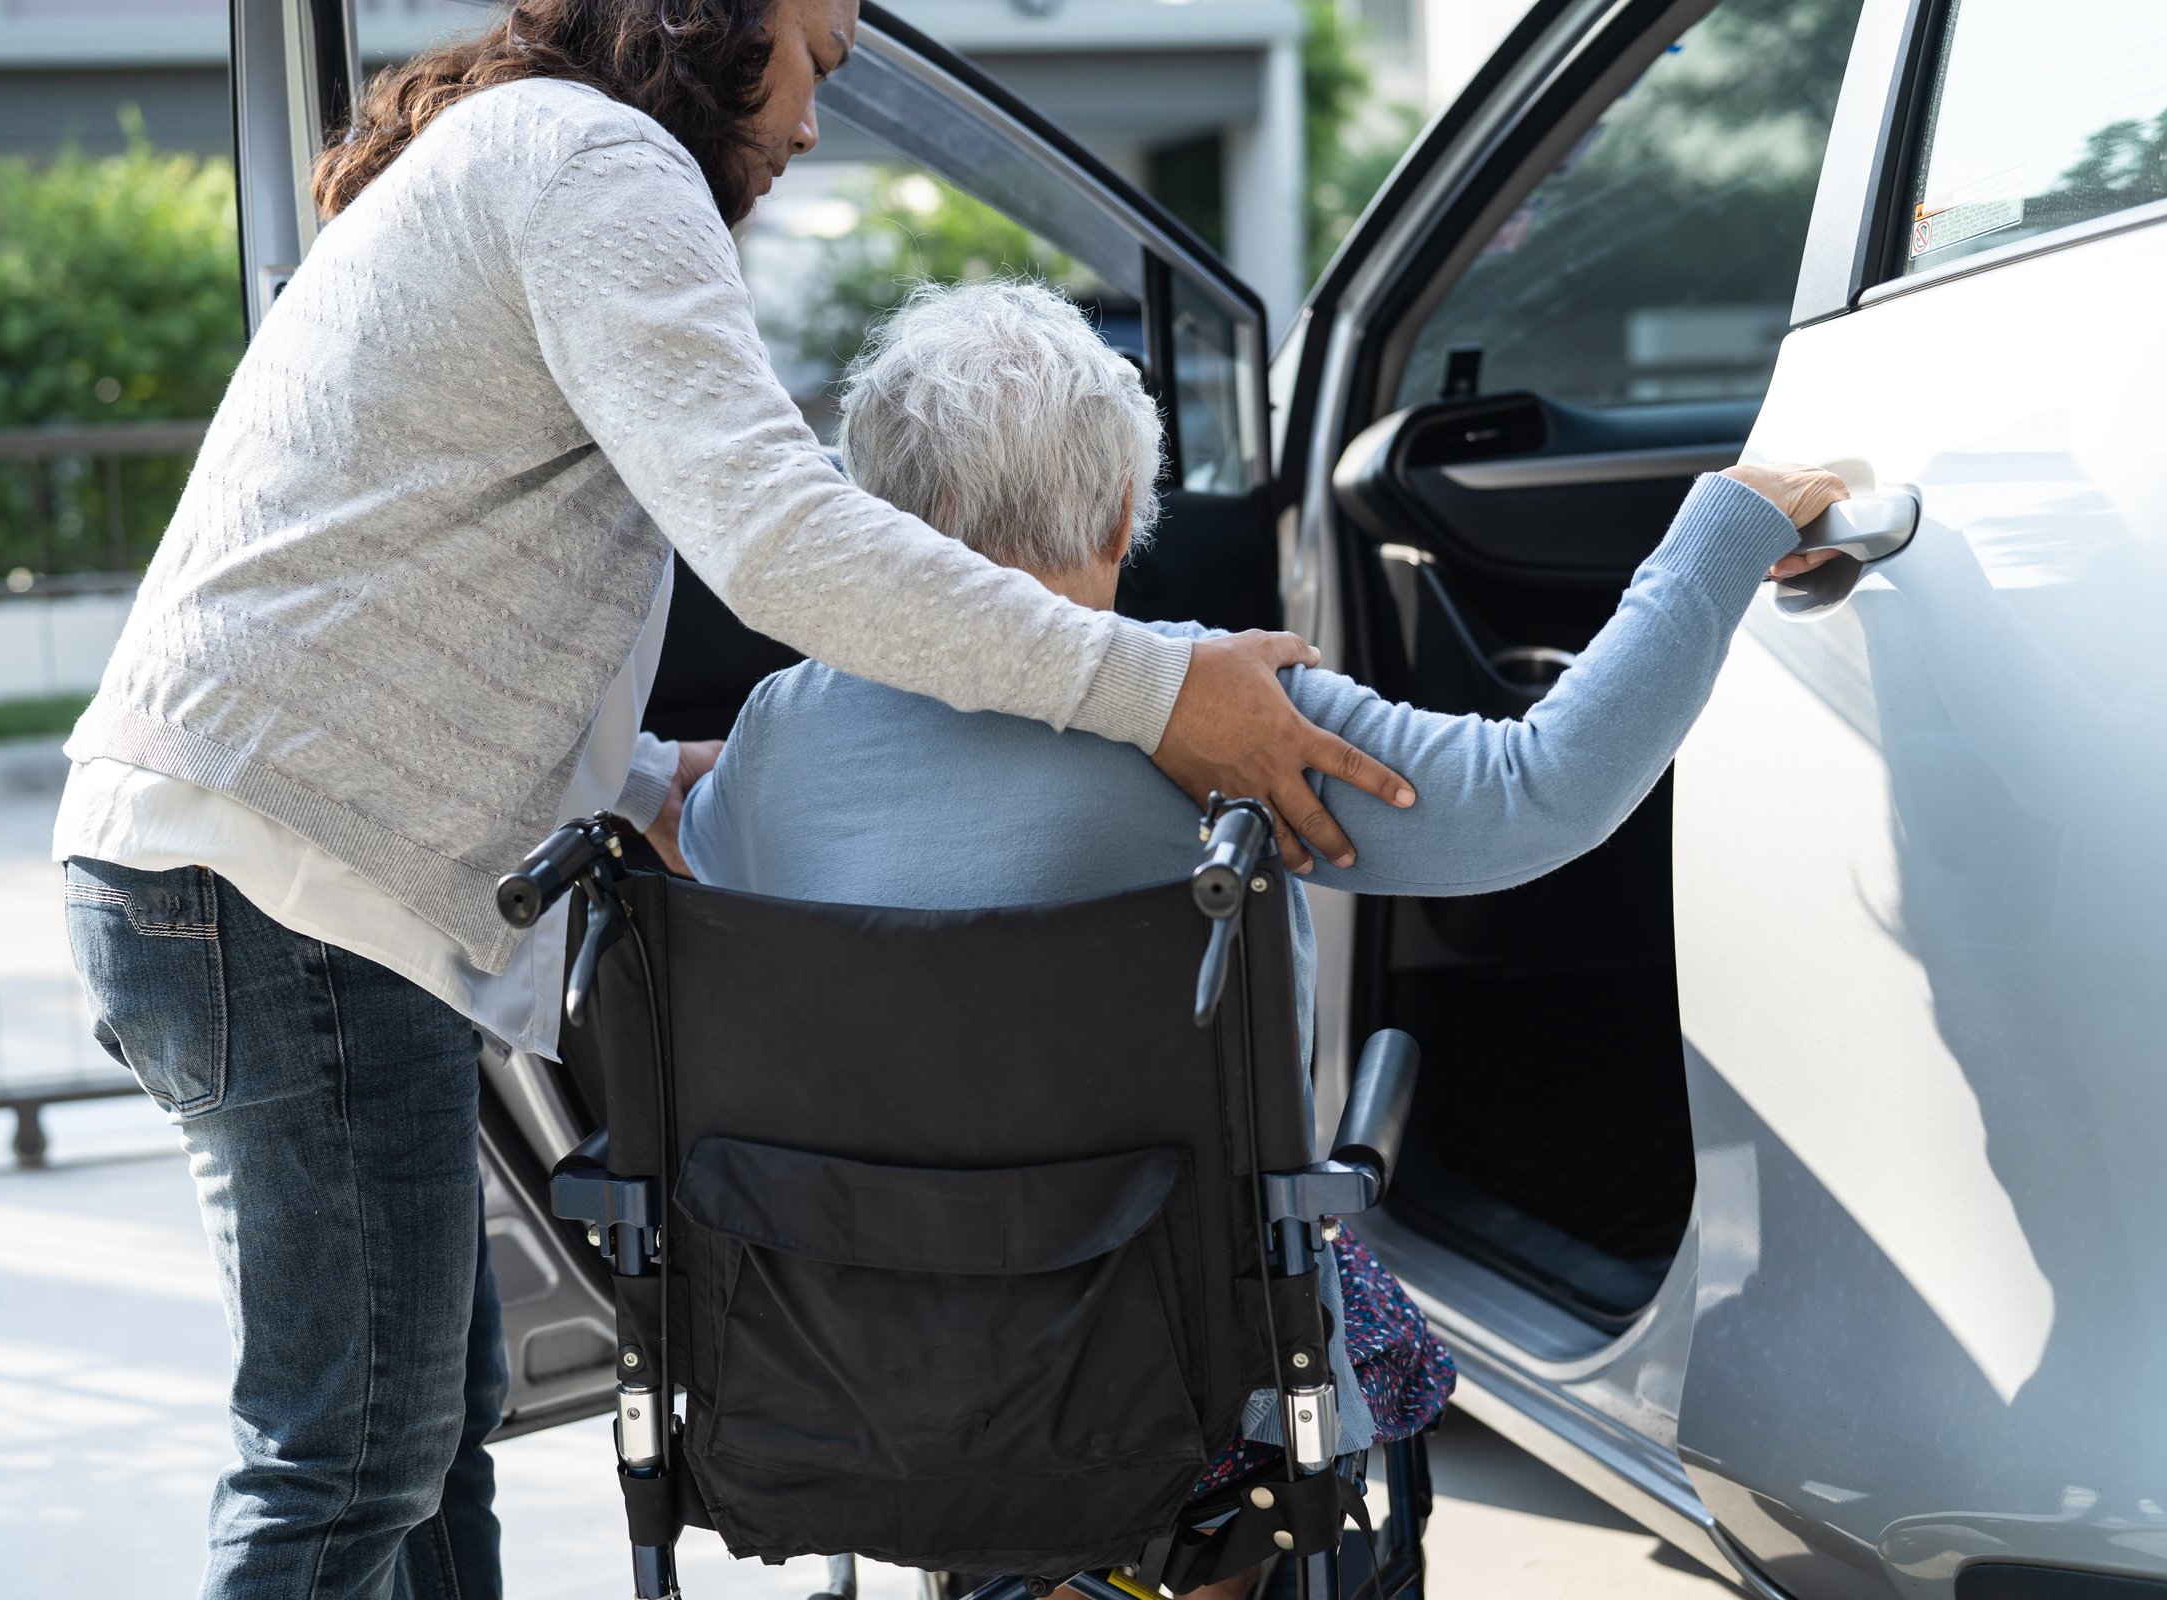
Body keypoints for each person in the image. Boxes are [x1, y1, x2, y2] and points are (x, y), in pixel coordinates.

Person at [52, 1, 1423, 1594]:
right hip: (283, 889)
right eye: (824, 60)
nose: (815, 121)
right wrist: (1158, 685)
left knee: (421, 1447)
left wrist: (641, 775)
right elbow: (779, 541)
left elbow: (431, 563)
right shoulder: (598, 157)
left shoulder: (530, 150)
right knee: (347, 1464)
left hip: (250, 868)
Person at [679, 280, 1848, 1598]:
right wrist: (1729, 525)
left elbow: (702, 867)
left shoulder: (782, 733)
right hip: (1183, 1385)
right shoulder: (1215, 714)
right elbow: (1542, 791)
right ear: (1126, 512)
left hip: (863, 1360)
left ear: (874, 515)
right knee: (1369, 1321)